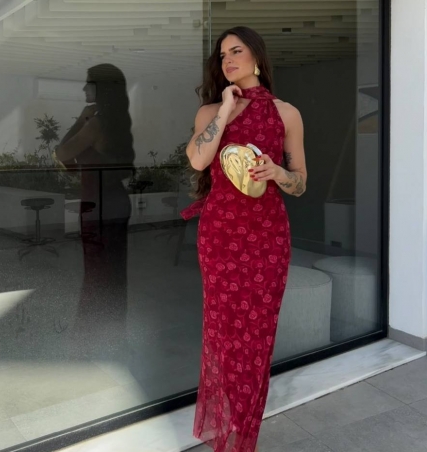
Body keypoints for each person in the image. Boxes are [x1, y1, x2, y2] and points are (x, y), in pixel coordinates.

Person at [182, 27, 307, 452]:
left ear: (257, 56)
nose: (228, 60)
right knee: (222, 330)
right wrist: (225, 109)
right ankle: (229, 421)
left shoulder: (287, 114)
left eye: (236, 51)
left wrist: (279, 173)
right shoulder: (210, 112)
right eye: (222, 56)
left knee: (258, 333)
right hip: (220, 235)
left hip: (268, 236)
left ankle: (245, 429)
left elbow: (300, 183)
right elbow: (198, 159)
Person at [55, 63, 135, 357]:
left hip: (97, 205)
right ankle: (111, 339)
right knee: (111, 274)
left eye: (89, 83)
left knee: (97, 275)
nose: (84, 88)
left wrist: (80, 119)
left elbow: (62, 153)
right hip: (114, 202)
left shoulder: (97, 123)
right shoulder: (117, 122)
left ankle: (91, 342)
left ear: (101, 88)